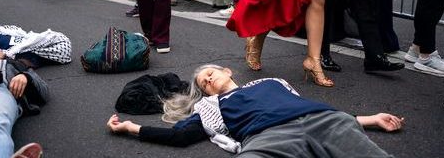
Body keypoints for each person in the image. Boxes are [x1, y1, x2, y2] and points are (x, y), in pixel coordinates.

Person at [108, 64, 403, 157]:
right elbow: (180, 135)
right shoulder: (210, 105)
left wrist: (371, 119)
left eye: (210, 72)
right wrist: (132, 128)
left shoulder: (271, 81)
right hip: (267, 137)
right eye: (203, 83)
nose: (208, 79)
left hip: (322, 120)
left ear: (226, 69)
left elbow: (298, 106)